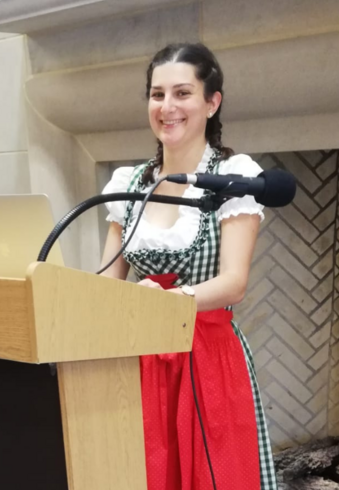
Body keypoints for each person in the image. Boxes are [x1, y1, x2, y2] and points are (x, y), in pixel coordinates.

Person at [100, 43, 277, 490]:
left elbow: (234, 283)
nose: (167, 107)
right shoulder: (130, 182)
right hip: (140, 360)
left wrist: (167, 302)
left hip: (207, 360)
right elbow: (107, 280)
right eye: (157, 95)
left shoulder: (233, 175)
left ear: (211, 102)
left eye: (182, 93)